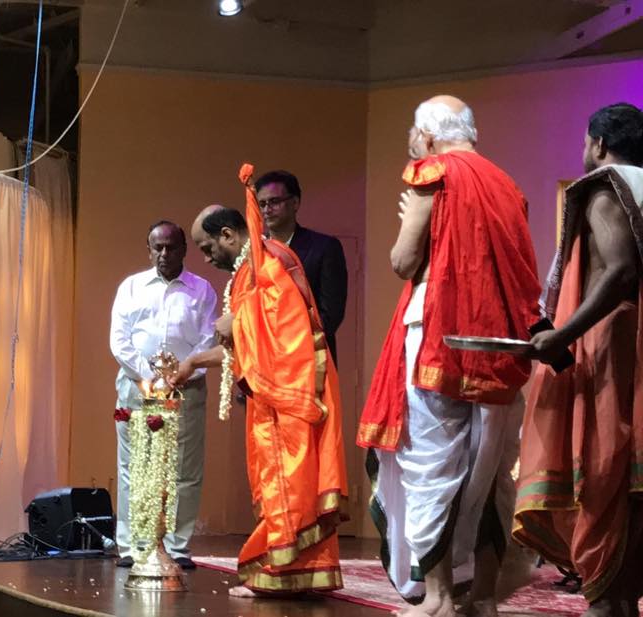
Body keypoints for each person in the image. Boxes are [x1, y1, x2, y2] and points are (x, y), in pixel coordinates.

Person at [358, 96, 542, 617]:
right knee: (490, 471)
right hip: (500, 345)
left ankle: (438, 598)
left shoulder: (432, 173)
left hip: (438, 338)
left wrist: (410, 220)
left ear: (428, 136)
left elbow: (403, 260)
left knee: (431, 468)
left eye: (412, 138)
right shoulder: (507, 184)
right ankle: (482, 597)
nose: (411, 147)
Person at [174, 164, 348, 596]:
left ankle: (277, 576)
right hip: (275, 395)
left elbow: (288, 331)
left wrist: (236, 323)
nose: (206, 257)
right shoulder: (254, 267)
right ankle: (302, 575)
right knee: (287, 486)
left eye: (207, 247)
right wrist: (195, 360)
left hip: (290, 394)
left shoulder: (268, 264)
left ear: (228, 235)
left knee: (289, 485)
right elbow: (252, 339)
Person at [514, 102, 643, 617]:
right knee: (629, 482)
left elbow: (620, 271)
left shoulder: (607, 187)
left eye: (586, 142)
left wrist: (562, 335)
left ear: (599, 144)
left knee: (604, 469)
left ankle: (607, 600)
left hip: (618, 348)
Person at [109, 221, 218, 569]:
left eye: (171, 247)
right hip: (136, 387)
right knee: (133, 466)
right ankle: (133, 546)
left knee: (185, 469)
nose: (164, 254)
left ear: (184, 249)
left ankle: (177, 547)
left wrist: (179, 374)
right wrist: (150, 377)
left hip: (187, 387)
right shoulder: (131, 287)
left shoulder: (202, 290)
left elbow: (209, 341)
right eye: (157, 247)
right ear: (149, 250)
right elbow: (119, 340)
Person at [255, 170, 348, 364]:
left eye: (274, 202)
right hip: (263, 358)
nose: (267, 210)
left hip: (308, 358)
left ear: (295, 203)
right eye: (262, 204)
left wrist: (288, 344)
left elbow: (330, 315)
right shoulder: (255, 250)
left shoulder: (324, 247)